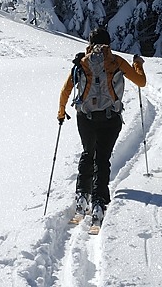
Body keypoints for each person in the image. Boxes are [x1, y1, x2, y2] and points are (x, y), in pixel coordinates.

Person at [56, 26, 146, 230]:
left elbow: (65, 91)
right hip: (110, 117)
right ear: (109, 43)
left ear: (89, 43)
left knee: (88, 153)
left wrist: (62, 113)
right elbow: (141, 82)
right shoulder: (115, 61)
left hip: (85, 117)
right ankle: (99, 202)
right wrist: (137, 64)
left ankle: (82, 196)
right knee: (102, 157)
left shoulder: (81, 63)